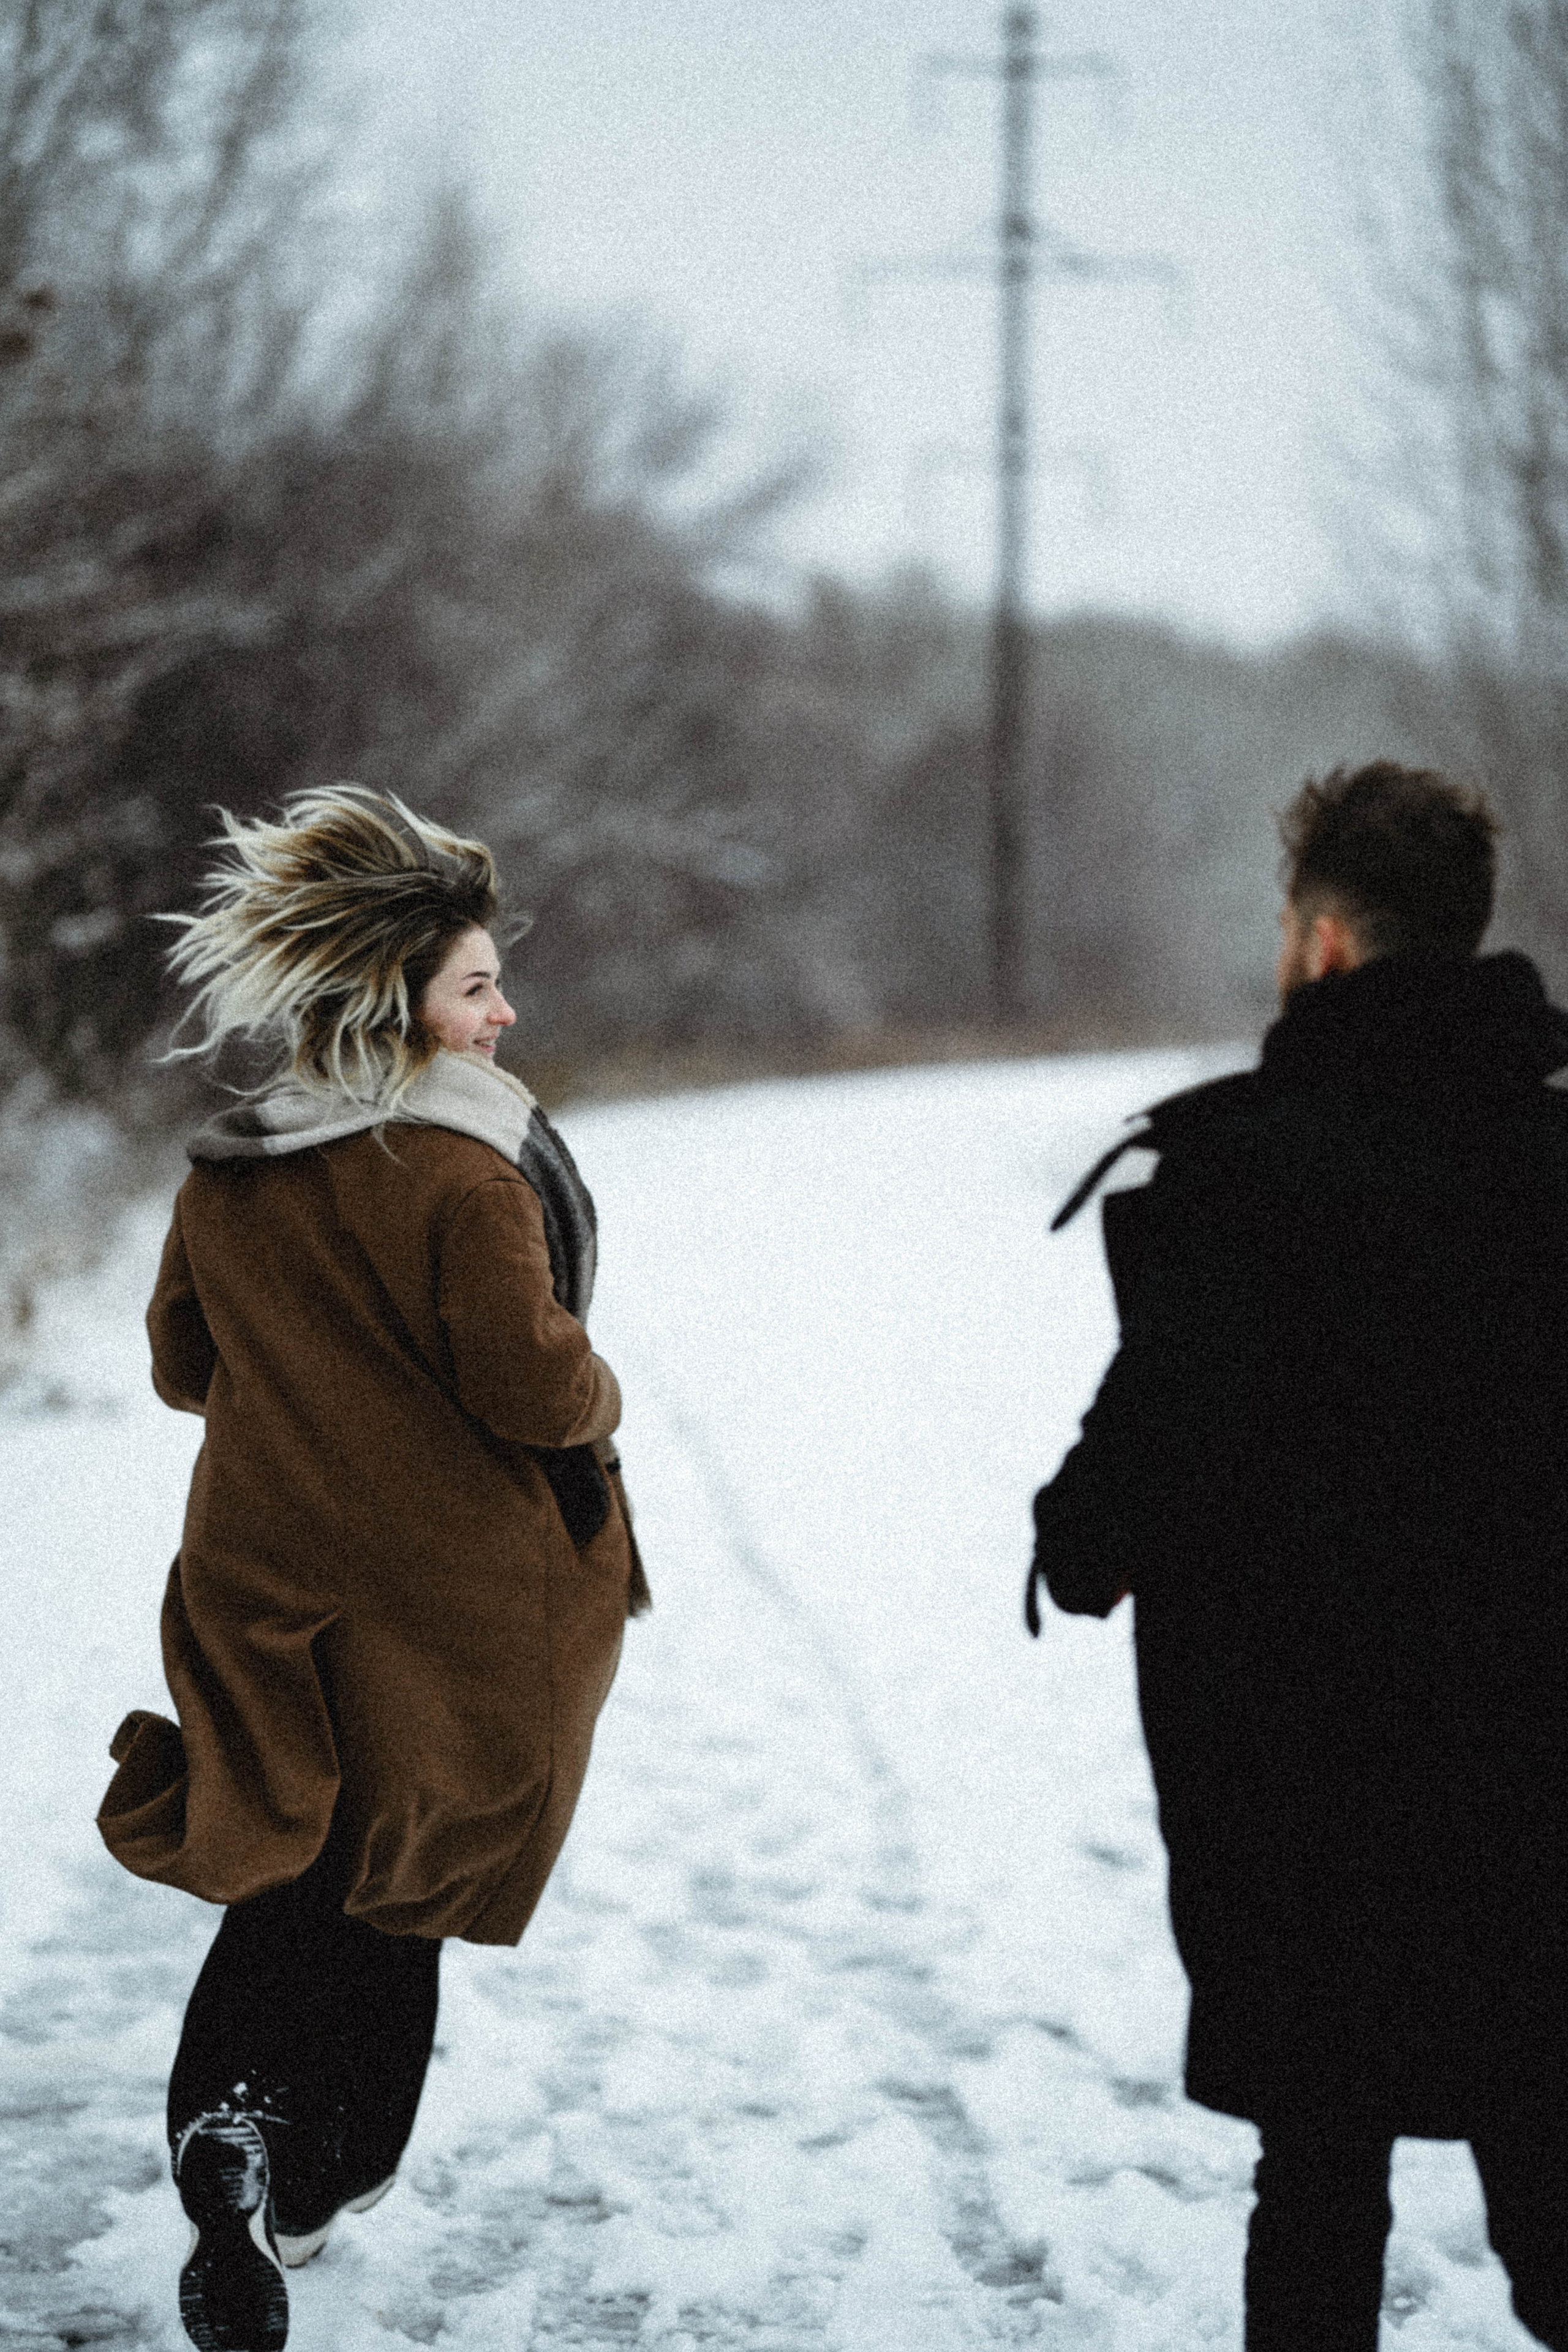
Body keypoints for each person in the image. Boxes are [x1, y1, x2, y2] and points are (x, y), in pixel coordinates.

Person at [96, 784, 649, 2352]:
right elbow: (532, 1389)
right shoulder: (470, 1174)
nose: (502, 1009)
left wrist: (311, 1397)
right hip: (451, 1602)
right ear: (395, 998)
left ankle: (228, 2138)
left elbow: (180, 1363)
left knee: (290, 1860)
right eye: (476, 983)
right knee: (402, 1880)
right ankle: (323, 2175)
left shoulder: (234, 1168)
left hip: (263, 1579)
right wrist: (601, 1388)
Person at [1027, 761, 1568, 2352]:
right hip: (1538, 1778)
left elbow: (1157, 1435)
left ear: (1326, 944)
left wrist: (1075, 1542)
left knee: (1320, 2176)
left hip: (1308, 1787)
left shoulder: (1245, 1171)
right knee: (1546, 2155)